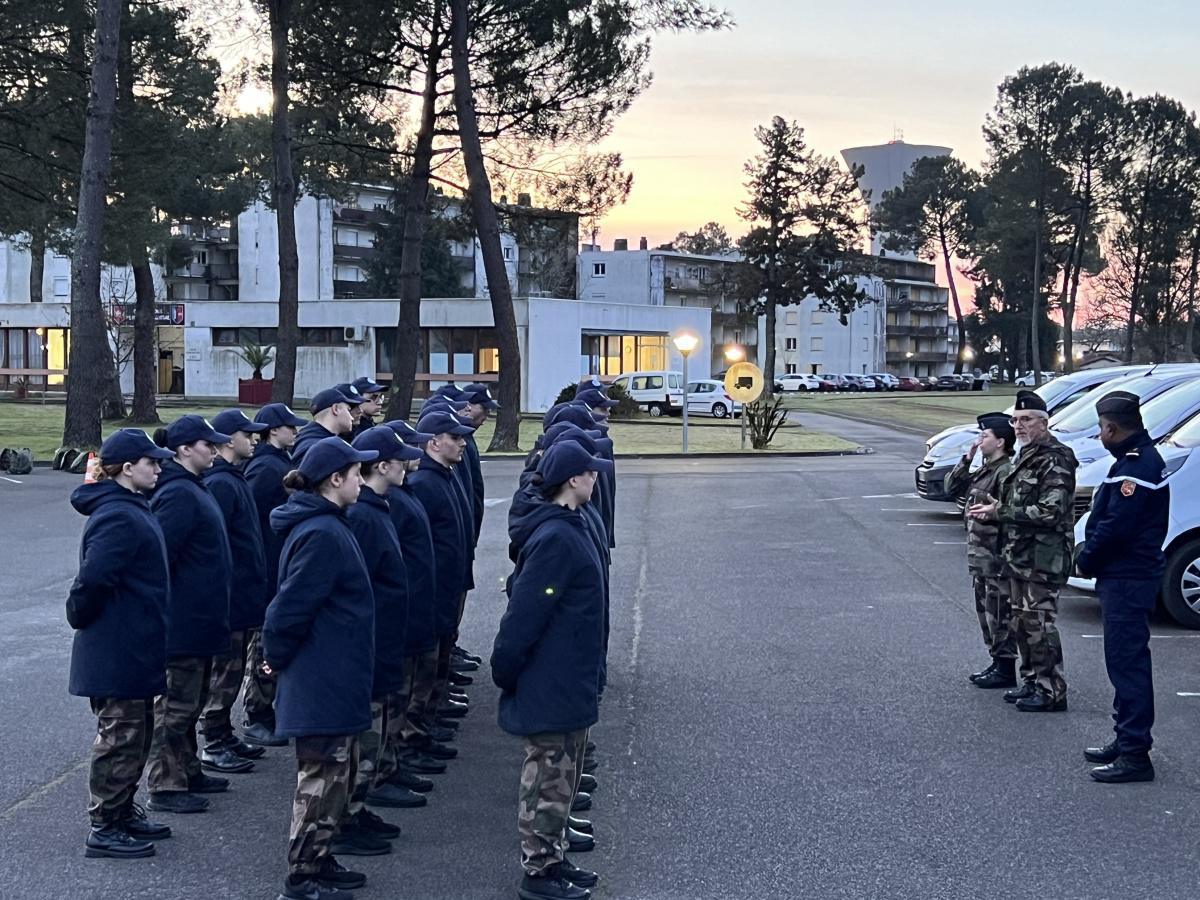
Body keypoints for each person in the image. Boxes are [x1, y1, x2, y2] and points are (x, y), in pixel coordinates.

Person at [492, 441, 612, 900]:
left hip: (571, 677)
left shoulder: (572, 523)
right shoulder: (555, 538)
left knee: (563, 779)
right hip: (552, 679)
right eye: (590, 472)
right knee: (548, 779)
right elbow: (526, 613)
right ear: (572, 480)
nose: (596, 478)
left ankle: (554, 856)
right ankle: (539, 872)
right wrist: (506, 666)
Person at [262, 437, 379, 900]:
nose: (360, 482)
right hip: (321, 676)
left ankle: (320, 857)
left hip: (334, 673)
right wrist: (276, 661)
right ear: (335, 480)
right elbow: (287, 611)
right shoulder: (321, 534)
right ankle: (302, 876)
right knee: (320, 777)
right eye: (355, 475)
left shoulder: (330, 525)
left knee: (335, 776)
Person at [67, 429, 175, 859]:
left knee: (137, 734)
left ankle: (122, 810)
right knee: (120, 736)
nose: (159, 468)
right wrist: (79, 616)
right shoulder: (118, 514)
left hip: (135, 641)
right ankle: (104, 825)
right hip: (117, 644)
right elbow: (92, 581)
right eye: (152, 462)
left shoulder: (132, 507)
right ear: (128, 468)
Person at [333, 426, 425, 856]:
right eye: (399, 460)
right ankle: (346, 818)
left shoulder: (377, 508)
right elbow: (361, 589)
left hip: (385, 642)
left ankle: (356, 807)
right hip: (370, 646)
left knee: (375, 733)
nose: (409, 465)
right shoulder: (365, 516)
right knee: (363, 741)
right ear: (381, 466)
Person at [1076, 391, 1171, 783]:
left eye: (1101, 429)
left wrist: (1087, 556)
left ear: (1112, 428)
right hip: (1126, 575)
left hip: (1127, 577)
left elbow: (1118, 527)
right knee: (1122, 663)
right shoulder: (1137, 459)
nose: (1100, 435)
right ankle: (1126, 736)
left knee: (1128, 664)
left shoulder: (1137, 466)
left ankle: (1135, 754)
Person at [146, 416, 235, 814]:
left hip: (199, 621)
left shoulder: (193, 487)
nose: (215, 450)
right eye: (207, 445)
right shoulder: (178, 494)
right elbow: (161, 556)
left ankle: (186, 769)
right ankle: (165, 783)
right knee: (175, 707)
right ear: (184, 449)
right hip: (182, 622)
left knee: (193, 701)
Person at [969, 390, 1077, 712]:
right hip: (1020, 556)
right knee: (1021, 622)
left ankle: (1051, 691)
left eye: (1026, 420)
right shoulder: (1025, 456)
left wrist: (1001, 512)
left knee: (1039, 624)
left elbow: (1050, 512)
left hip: (1042, 559)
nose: (1018, 426)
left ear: (1044, 423)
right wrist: (998, 510)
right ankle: (1030, 681)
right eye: (1015, 420)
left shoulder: (1056, 458)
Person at [199, 409, 272, 772]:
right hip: (230, 597)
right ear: (228, 440)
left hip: (243, 594)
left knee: (232, 669)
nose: (255, 439)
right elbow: (218, 542)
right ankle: (213, 740)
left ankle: (224, 733)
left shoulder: (233, 477)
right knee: (224, 674)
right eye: (248, 434)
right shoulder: (222, 483)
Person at [242, 402, 308, 747]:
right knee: (264, 646)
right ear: (272, 431)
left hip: (275, 560)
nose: (295, 431)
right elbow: (252, 517)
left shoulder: (279, 462)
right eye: (288, 427)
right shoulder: (266, 467)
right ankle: (257, 712)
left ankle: (267, 709)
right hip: (268, 563)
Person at [408, 408, 477, 726]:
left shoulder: (445, 478)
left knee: (438, 661)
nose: (462, 443)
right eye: (455, 437)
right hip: (431, 595)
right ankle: (414, 732)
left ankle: (429, 719)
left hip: (448, 590)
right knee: (423, 668)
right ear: (433, 443)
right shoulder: (424, 483)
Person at [945, 413, 1017, 689]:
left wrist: (994, 513)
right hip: (980, 555)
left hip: (996, 555)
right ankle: (996, 661)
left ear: (1000, 441)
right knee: (985, 611)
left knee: (999, 612)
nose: (979, 440)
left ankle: (1006, 666)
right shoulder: (986, 468)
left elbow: (1008, 509)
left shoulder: (1006, 471)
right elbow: (952, 487)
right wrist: (966, 459)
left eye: (984, 436)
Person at [293, 388, 361, 462]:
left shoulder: (310, 437)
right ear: (336, 409)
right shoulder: (318, 447)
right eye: (348, 410)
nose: (351, 417)